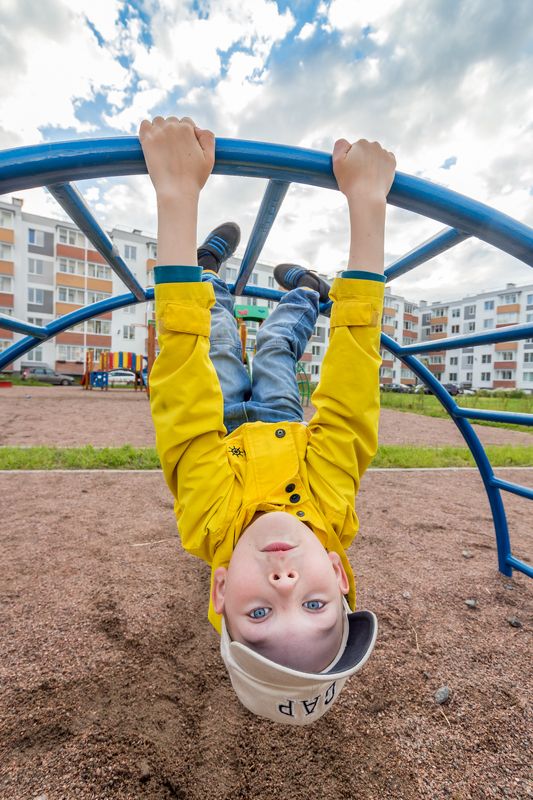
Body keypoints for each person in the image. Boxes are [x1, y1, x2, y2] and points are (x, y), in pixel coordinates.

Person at [140, 115, 395, 725]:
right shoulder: (330, 504)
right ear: (337, 572)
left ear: (222, 591)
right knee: (278, 351)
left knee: (219, 342)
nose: (285, 582)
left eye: (260, 615)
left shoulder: (206, 519)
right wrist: (368, 204)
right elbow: (353, 384)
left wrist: (176, 196)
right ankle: (309, 291)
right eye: (314, 603)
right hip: (283, 422)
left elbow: (180, 383)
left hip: (221, 425)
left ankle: (207, 273)